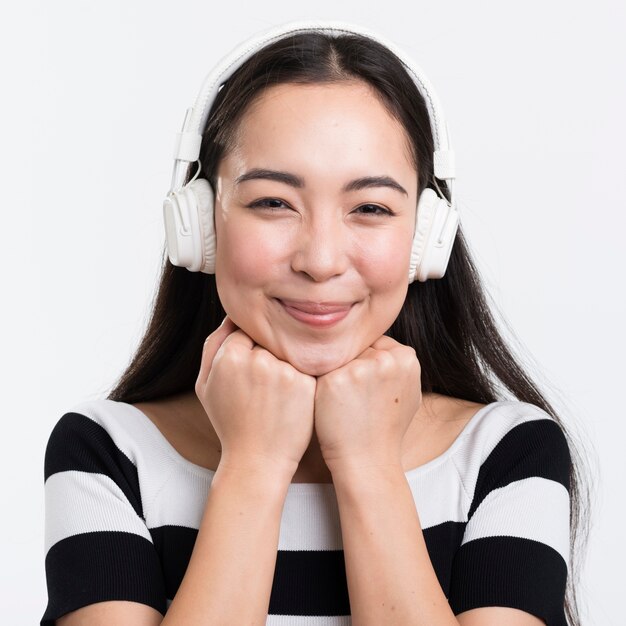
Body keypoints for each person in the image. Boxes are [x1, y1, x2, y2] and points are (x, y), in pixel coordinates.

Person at [40, 20, 588, 626]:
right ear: (199, 225)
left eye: (371, 208)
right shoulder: (107, 452)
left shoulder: (507, 453)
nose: (321, 260)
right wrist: (253, 466)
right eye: (273, 202)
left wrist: (369, 468)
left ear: (426, 240)